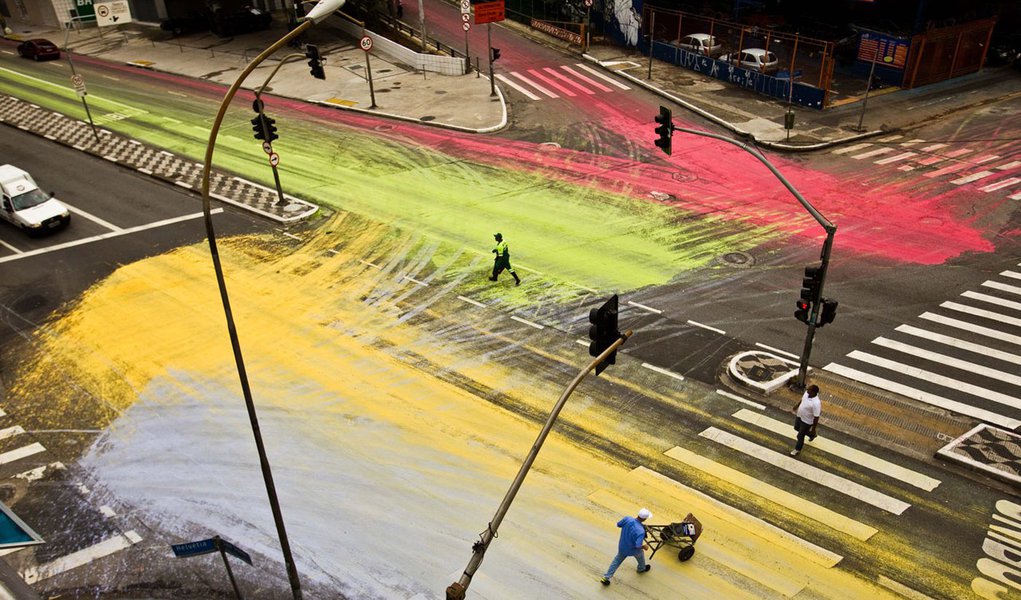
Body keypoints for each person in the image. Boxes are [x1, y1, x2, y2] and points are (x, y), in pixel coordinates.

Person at [600, 508, 652, 585]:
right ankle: (641, 568)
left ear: (638, 514)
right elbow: (637, 545)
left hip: (622, 546)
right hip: (633, 550)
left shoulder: (627, 519)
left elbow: (618, 524)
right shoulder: (641, 531)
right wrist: (644, 546)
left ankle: (606, 577)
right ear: (644, 519)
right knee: (640, 554)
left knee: (616, 561)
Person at [791, 384, 822, 456]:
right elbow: (802, 399)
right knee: (796, 428)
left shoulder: (816, 403)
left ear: (814, 392)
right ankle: (811, 435)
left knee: (800, 436)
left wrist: (813, 428)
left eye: (809, 390)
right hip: (800, 416)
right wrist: (797, 405)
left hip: (807, 422)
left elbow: (816, 417)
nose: (807, 390)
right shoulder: (807, 393)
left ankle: (797, 449)